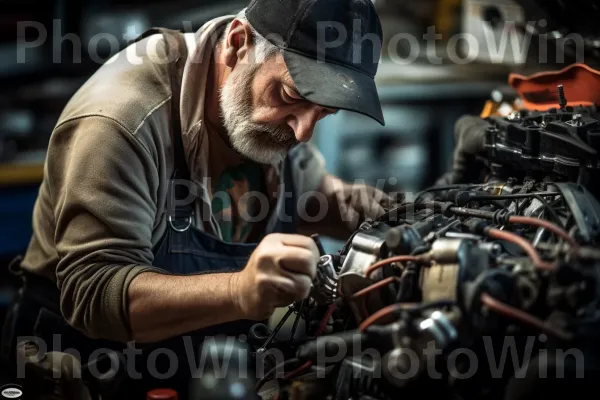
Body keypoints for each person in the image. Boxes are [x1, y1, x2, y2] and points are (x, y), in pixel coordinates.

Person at [1, 0, 396, 397]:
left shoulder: (262, 106)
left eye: (324, 112)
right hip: (88, 368)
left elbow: (308, 193)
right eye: (291, 95)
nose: (303, 133)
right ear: (238, 45)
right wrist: (240, 292)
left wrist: (373, 212)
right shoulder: (121, 119)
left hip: (202, 366)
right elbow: (94, 290)